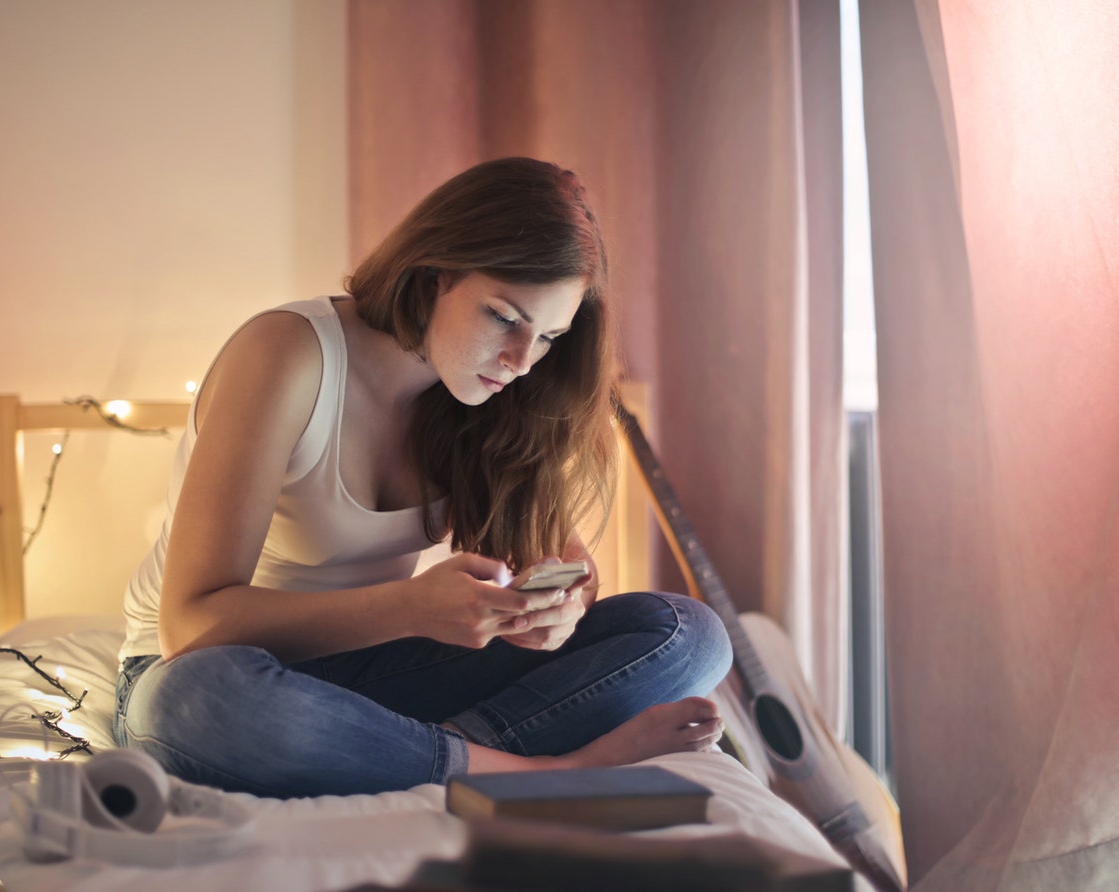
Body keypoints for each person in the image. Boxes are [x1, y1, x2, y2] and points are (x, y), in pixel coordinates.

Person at [112, 157, 732, 798]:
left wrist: (559, 609)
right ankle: (544, 772)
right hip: (208, 672)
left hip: (372, 678)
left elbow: (562, 559)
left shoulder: (486, 400)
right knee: (192, 701)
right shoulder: (288, 355)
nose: (521, 362)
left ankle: (431, 752)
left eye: (548, 336)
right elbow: (187, 627)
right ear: (434, 274)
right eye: (503, 317)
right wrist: (408, 608)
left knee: (690, 635)